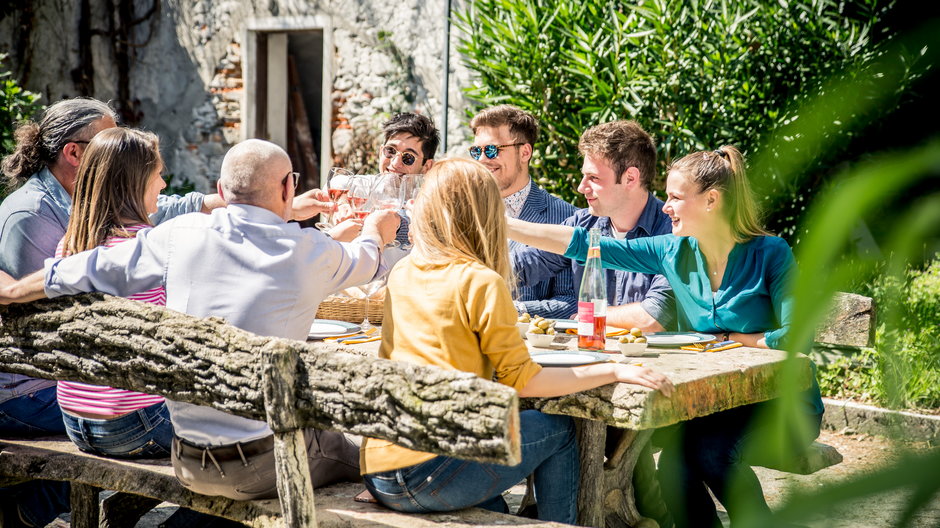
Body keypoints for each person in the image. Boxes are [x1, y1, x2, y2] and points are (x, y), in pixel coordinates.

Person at [0, 139, 401, 502]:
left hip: (186, 454)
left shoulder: (181, 234)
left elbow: (92, 266)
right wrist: (374, 230)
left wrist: (16, 291)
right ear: (287, 188)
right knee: (365, 460)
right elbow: (367, 263)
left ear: (223, 193)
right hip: (260, 463)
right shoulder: (310, 250)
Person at [505, 146, 824, 528]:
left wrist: (736, 338)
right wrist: (503, 224)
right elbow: (586, 245)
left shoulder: (770, 253)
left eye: (674, 197)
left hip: (780, 404)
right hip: (713, 404)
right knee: (674, 464)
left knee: (707, 453)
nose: (666, 207)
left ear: (711, 201)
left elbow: (796, 339)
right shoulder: (673, 250)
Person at [359, 158, 674, 524]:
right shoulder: (479, 281)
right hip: (425, 473)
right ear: (488, 213)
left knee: (495, 500)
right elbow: (525, 383)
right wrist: (615, 369)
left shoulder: (404, 270)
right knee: (559, 427)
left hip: (381, 469)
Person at [51, 127, 177, 459]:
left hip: (75, 420)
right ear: (135, 183)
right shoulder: (147, 250)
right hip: (134, 422)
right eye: (158, 175)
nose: (163, 185)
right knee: (244, 447)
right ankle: (181, 516)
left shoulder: (70, 245)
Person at [512, 120, 675, 331]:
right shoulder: (583, 223)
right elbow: (523, 265)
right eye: (583, 176)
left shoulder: (672, 232)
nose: (581, 187)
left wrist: (587, 315)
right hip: (593, 354)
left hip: (658, 361)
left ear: (631, 178)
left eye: (594, 178)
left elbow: (653, 317)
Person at [469, 105, 577, 318]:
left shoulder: (566, 217)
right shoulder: (462, 211)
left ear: (525, 152)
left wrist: (508, 311)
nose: (482, 159)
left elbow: (570, 303)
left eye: (492, 150)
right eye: (476, 151)